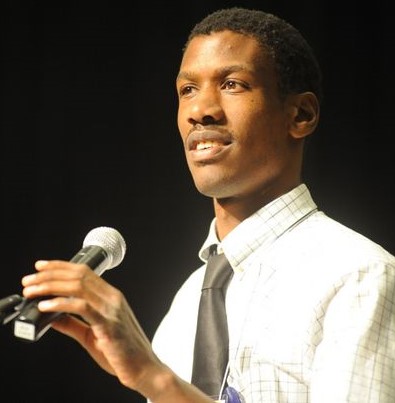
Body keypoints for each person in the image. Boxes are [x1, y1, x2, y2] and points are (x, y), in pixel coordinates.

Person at [20, 7, 395, 403]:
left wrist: (156, 379)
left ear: (300, 114)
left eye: (233, 84)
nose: (200, 110)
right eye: (188, 90)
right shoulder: (186, 303)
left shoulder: (358, 279)